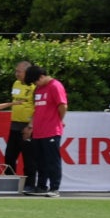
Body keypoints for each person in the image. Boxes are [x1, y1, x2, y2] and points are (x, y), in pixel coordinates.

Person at [26, 64, 68, 197]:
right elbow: (37, 109)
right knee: (39, 161)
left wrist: (58, 120)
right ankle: (41, 186)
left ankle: (54, 188)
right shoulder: (38, 89)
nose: (35, 84)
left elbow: (63, 106)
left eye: (35, 81)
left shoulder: (55, 86)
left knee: (52, 160)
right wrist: (31, 125)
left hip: (51, 130)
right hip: (38, 131)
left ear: (42, 76)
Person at [2, 60, 34, 178]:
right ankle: (10, 181)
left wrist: (30, 126)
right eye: (16, 71)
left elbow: (37, 108)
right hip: (14, 125)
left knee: (28, 158)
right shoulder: (16, 83)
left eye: (19, 71)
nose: (16, 73)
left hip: (27, 126)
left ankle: (29, 184)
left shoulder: (34, 86)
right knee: (9, 156)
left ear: (27, 72)